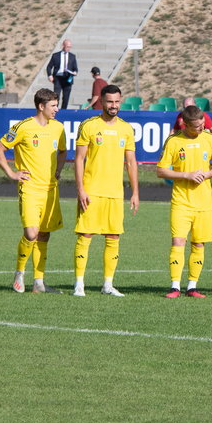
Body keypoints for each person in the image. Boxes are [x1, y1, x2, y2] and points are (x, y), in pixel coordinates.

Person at [0, 88, 67, 294]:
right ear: (41, 107)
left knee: (44, 235)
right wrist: (11, 173)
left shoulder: (58, 128)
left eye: (57, 104)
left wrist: (59, 170)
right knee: (31, 233)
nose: (57, 109)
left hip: (51, 190)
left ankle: (39, 283)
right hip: (30, 188)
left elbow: (63, 151)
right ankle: (19, 274)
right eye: (53, 106)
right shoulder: (23, 127)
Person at [73, 85, 139, 297]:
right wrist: (81, 189)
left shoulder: (126, 129)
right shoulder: (89, 125)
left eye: (117, 101)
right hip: (92, 191)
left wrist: (135, 192)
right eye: (110, 101)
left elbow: (131, 162)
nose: (113, 106)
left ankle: (107, 285)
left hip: (115, 193)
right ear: (101, 101)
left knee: (113, 237)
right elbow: (79, 159)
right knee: (85, 235)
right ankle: (79, 284)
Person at [156, 105, 212, 298]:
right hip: (181, 201)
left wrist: (208, 173)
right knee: (178, 241)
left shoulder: (210, 140)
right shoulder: (173, 142)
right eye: (196, 126)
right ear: (185, 125)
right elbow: (161, 170)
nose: (201, 128)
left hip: (204, 203)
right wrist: (186, 175)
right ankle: (175, 286)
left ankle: (192, 286)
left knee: (199, 244)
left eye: (202, 124)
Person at [46, 39, 78, 109]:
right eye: (67, 47)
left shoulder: (72, 56)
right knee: (56, 96)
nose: (68, 48)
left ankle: (64, 111)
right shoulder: (56, 55)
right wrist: (50, 76)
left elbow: (75, 68)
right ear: (63, 46)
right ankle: (55, 110)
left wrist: (75, 72)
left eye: (70, 47)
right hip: (58, 78)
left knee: (66, 97)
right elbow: (49, 67)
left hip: (68, 79)